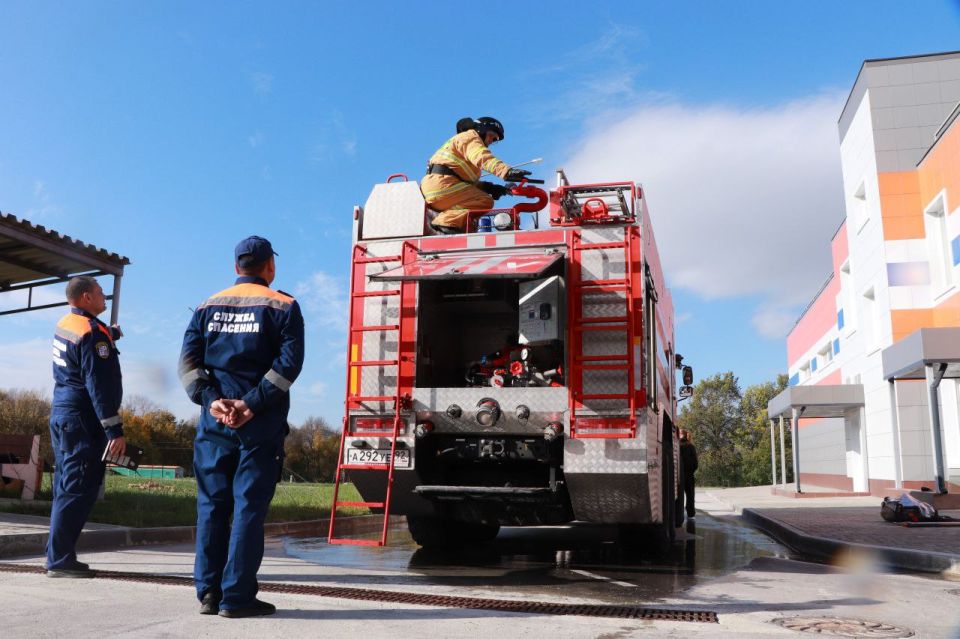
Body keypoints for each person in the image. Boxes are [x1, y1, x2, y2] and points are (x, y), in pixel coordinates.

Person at [179, 236, 304, 618]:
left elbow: (188, 364)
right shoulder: (284, 305)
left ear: (236, 267)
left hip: (214, 423)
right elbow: (288, 366)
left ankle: (208, 595)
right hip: (260, 426)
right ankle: (236, 598)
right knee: (248, 507)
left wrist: (211, 400)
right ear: (270, 267)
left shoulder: (205, 307)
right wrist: (250, 405)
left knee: (212, 506)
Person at [47, 276, 125, 578]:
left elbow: (81, 353)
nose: (104, 297)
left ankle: (58, 554)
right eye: (98, 293)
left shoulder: (67, 323)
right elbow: (99, 384)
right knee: (80, 486)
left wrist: (109, 335)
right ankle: (59, 559)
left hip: (63, 413)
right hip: (83, 418)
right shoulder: (93, 334)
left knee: (66, 485)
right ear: (84, 297)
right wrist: (113, 430)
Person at [422, 116, 530, 233]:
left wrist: (491, 188)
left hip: (439, 186)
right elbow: (483, 158)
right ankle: (445, 223)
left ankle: (450, 225)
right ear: (481, 130)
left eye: (495, 140)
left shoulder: (462, 142)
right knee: (485, 201)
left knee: (479, 199)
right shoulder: (470, 137)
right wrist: (506, 171)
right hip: (443, 186)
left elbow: (463, 182)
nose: (491, 141)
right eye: (491, 135)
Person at [679, 429, 698, 519]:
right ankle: (690, 513)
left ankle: (679, 514)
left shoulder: (677, 446)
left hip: (679, 474)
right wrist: (691, 471)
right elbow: (695, 463)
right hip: (689, 474)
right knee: (690, 495)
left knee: (679, 494)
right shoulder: (691, 446)